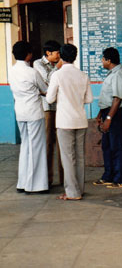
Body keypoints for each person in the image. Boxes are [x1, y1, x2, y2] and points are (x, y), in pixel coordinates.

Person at [46, 44, 93, 200]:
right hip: (80, 120)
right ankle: (79, 189)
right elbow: (89, 99)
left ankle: (72, 192)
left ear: (61, 57)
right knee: (79, 157)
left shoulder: (57, 75)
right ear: (75, 57)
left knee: (68, 157)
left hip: (65, 122)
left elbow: (50, 98)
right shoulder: (83, 75)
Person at [9, 41, 49, 194]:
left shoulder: (12, 71)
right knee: (36, 148)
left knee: (25, 147)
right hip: (34, 113)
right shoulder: (32, 72)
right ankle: (36, 185)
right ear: (28, 55)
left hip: (20, 112)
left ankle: (23, 183)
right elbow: (45, 90)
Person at [93, 47, 122, 188]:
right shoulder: (111, 74)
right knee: (107, 146)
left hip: (116, 113)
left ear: (109, 60)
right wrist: (100, 114)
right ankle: (108, 176)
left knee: (117, 146)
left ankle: (121, 179)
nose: (102, 61)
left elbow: (117, 99)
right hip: (107, 111)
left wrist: (108, 118)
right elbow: (107, 98)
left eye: (103, 59)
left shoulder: (119, 75)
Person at [33, 40, 63, 186]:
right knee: (48, 143)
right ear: (48, 53)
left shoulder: (58, 64)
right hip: (47, 108)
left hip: (60, 107)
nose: (59, 55)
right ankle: (48, 179)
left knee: (62, 144)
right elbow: (48, 80)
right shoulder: (37, 64)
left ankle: (64, 179)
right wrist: (58, 68)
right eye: (57, 53)